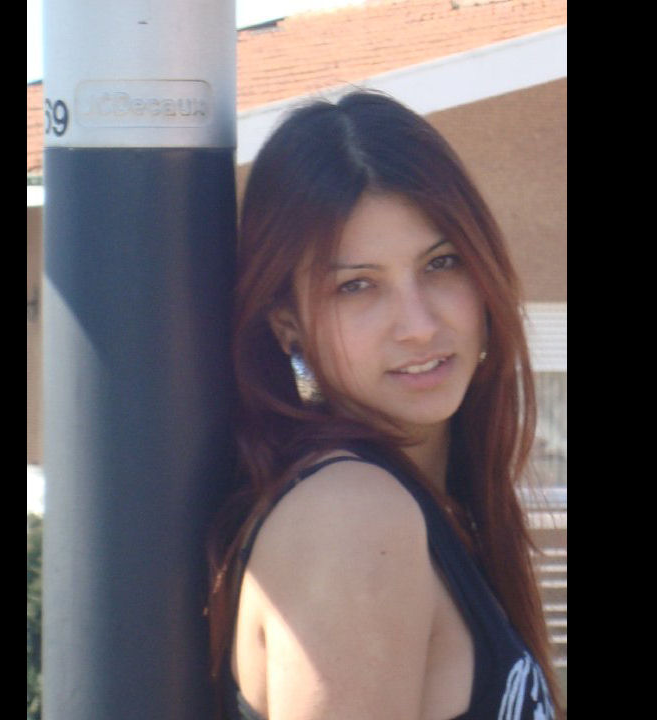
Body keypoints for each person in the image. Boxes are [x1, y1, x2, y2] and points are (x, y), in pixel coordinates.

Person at [206, 90, 565, 720]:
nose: (419, 326)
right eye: (356, 286)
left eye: (442, 263)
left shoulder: (435, 510)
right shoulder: (352, 517)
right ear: (287, 324)